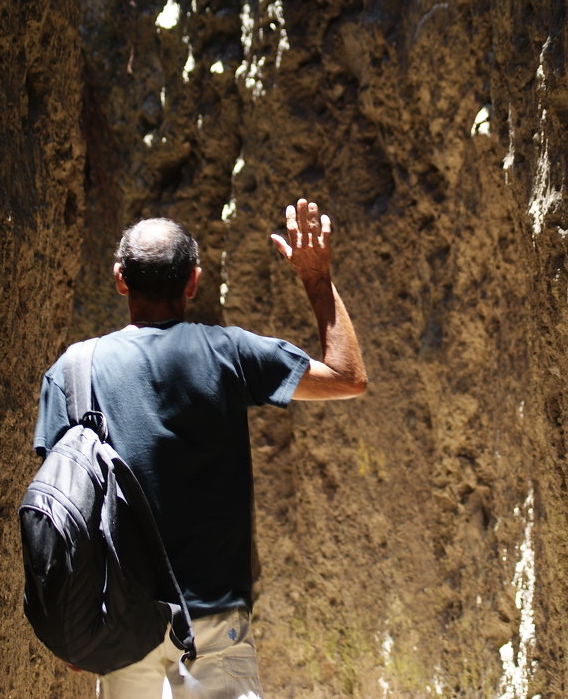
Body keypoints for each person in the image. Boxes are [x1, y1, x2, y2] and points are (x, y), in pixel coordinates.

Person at [33, 197, 367, 698]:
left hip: (122, 629)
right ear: (193, 281)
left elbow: (62, 513)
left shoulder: (72, 373)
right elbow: (347, 377)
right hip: (213, 631)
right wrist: (317, 278)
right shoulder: (228, 353)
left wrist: (74, 622)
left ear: (120, 278)